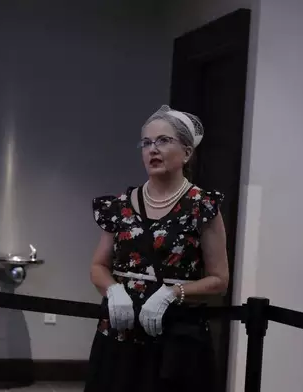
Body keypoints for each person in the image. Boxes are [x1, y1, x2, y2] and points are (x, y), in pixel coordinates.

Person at [84, 105, 229, 392]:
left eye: (164, 141)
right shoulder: (120, 205)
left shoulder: (202, 206)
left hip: (177, 341)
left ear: (187, 153)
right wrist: (113, 289)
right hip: (121, 335)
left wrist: (173, 293)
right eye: (147, 143)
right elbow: (98, 266)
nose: (153, 149)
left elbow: (220, 280)